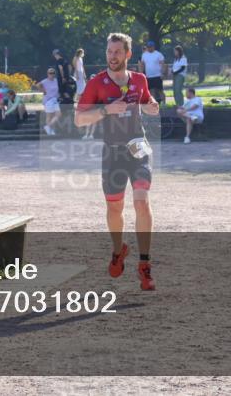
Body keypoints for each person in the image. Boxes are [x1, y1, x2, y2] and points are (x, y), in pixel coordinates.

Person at [75, 32, 160, 291]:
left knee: (141, 202)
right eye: (109, 52)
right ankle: (118, 249)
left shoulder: (140, 79)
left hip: (138, 148)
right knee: (115, 208)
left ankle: (144, 264)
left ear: (128, 54)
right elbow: (79, 120)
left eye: (117, 52)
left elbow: (147, 101)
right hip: (112, 153)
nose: (112, 56)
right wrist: (105, 110)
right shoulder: (97, 83)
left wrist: (152, 106)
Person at [36, 69, 62, 135]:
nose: (51, 74)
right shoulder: (45, 81)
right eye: (50, 73)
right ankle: (50, 131)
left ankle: (48, 126)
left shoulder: (56, 80)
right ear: (47, 74)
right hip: (48, 100)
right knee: (49, 116)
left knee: (58, 114)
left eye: (53, 73)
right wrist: (43, 91)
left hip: (55, 100)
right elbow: (37, 85)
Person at [139, 40, 166, 105]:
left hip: (157, 75)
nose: (149, 48)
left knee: (160, 90)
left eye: (150, 47)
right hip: (149, 76)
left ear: (154, 47)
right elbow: (142, 65)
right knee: (151, 90)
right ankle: (154, 104)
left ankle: (164, 104)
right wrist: (141, 74)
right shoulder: (144, 55)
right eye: (148, 47)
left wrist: (162, 73)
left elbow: (162, 64)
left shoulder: (158, 54)